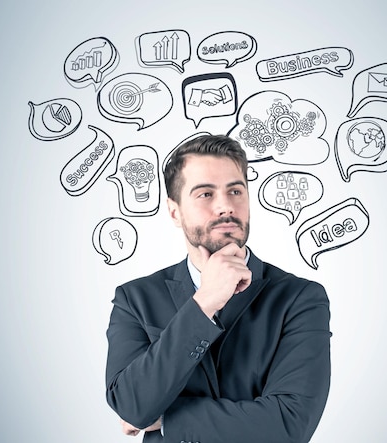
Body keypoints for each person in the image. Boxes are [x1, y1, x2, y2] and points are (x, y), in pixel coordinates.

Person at [105, 134, 331, 442]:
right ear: (175, 211)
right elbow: (132, 407)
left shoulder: (300, 298)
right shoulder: (135, 299)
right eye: (205, 194)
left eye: (235, 190)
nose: (226, 206)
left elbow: (289, 425)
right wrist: (203, 304)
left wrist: (169, 419)